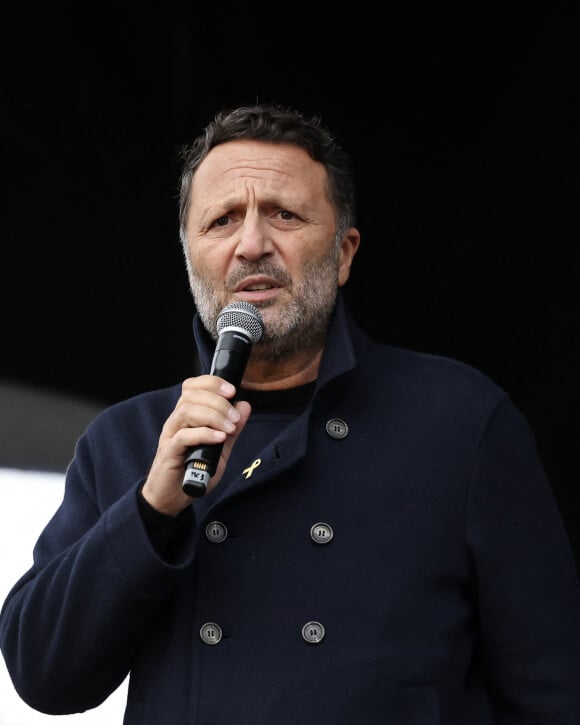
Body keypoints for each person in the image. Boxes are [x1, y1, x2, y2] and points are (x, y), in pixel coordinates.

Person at [1, 104, 580, 724]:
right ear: (192, 258)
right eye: (223, 220)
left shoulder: (461, 421)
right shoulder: (127, 438)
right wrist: (151, 511)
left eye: (284, 214)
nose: (252, 244)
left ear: (344, 252)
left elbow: (550, 689)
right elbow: (43, 675)